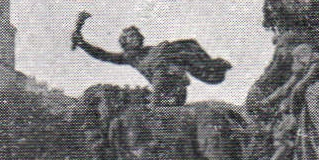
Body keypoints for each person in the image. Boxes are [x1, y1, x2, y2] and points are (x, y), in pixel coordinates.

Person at [70, 13, 232, 107]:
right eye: (132, 37)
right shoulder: (128, 57)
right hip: (164, 94)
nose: (137, 39)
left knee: (186, 44)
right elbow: (102, 54)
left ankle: (213, 66)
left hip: (175, 89)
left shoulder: (150, 51)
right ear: (125, 42)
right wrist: (82, 42)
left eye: (137, 36)